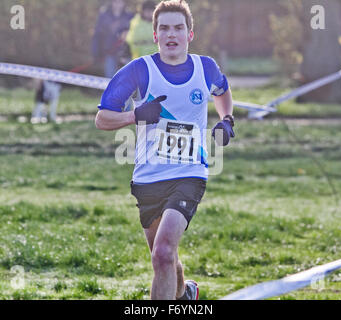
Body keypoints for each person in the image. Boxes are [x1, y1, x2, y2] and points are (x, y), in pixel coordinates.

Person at [95, 0, 235, 300]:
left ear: (190, 34)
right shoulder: (137, 71)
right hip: (147, 178)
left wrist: (226, 120)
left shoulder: (205, 67)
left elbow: (222, 91)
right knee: (164, 258)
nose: (172, 34)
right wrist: (135, 115)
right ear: (155, 35)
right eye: (164, 28)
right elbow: (102, 119)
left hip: (189, 173)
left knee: (163, 252)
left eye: (178, 28)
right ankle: (186, 295)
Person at [91, 0, 134, 78]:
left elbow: (135, 33)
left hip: (126, 54)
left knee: (127, 80)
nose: (118, 4)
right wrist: (96, 53)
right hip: (109, 53)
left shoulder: (130, 16)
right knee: (110, 79)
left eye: (120, 2)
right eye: (116, 2)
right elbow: (97, 35)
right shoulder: (104, 15)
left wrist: (128, 34)